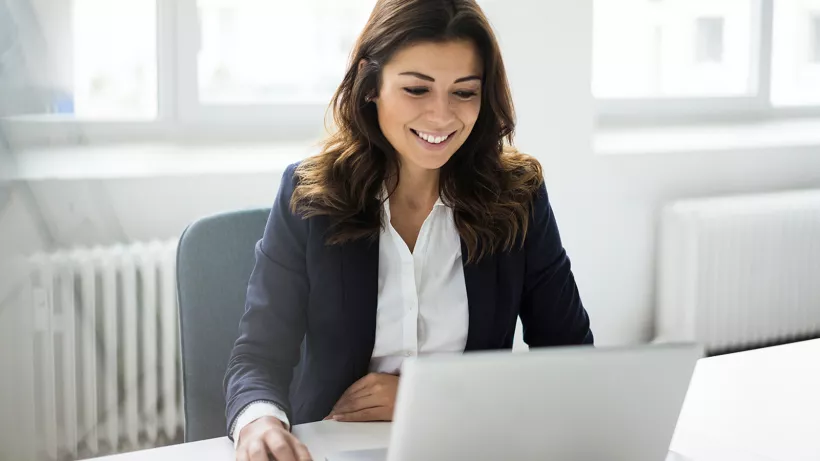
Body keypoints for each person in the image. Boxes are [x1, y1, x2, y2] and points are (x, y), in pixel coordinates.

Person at [225, 0, 593, 460]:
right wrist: (258, 423)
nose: (442, 117)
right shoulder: (310, 195)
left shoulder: (518, 197)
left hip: (470, 444)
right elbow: (257, 356)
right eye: (417, 89)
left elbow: (572, 362)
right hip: (336, 446)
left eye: (464, 92)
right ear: (370, 84)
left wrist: (429, 400)